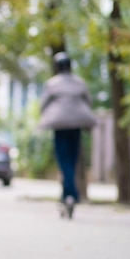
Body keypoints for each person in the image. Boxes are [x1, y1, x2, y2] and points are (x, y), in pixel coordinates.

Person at [38, 52, 96, 217]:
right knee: (72, 160)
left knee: (64, 162)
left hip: (60, 128)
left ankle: (71, 194)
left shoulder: (52, 83)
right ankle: (66, 197)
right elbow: (88, 102)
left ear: (57, 66)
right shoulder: (80, 82)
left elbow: (43, 105)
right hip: (76, 127)